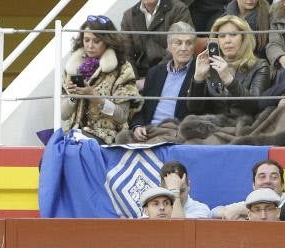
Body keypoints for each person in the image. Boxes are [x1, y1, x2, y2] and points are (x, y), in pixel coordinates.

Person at [62, 15, 140, 145]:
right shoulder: (73, 67)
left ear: (108, 41)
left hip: (109, 136)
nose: (90, 46)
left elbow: (122, 116)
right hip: (75, 134)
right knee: (53, 149)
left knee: (75, 149)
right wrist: (73, 96)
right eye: (86, 40)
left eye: (96, 41)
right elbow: (64, 115)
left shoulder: (123, 68)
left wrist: (97, 99)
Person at [116, 22, 197, 144]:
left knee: (155, 144)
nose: (184, 48)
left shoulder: (199, 72)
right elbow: (142, 106)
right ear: (169, 46)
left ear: (194, 46)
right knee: (122, 138)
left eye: (189, 43)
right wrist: (138, 125)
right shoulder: (155, 72)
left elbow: (199, 109)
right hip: (150, 130)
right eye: (178, 43)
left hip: (175, 130)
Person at [186, 15, 270, 120]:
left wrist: (229, 80)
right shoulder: (211, 65)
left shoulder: (260, 66)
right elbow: (195, 109)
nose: (227, 40)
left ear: (243, 38)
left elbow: (256, 107)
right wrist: (198, 78)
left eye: (233, 35)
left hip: (243, 128)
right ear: (216, 40)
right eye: (222, 36)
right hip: (212, 127)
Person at [120, 0, 193, 88]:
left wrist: (151, 80)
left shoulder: (178, 9)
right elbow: (126, 54)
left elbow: (182, 48)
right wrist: (133, 82)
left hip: (173, 73)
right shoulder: (129, 16)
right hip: (141, 77)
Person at [211, 159, 285, 220]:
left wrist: (248, 212)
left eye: (274, 177)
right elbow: (214, 211)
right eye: (262, 177)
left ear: (282, 185)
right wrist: (236, 212)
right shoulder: (248, 203)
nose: (267, 181)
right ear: (253, 184)